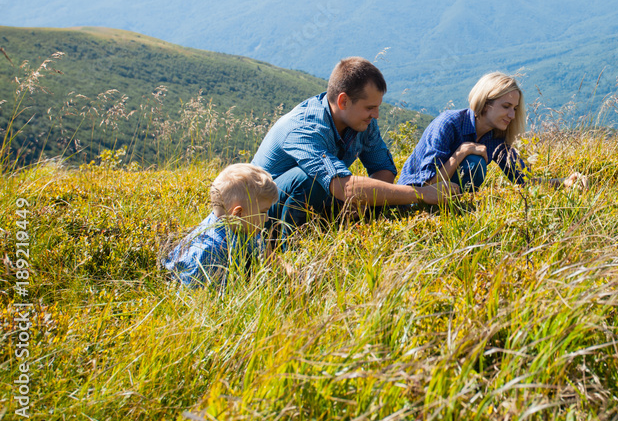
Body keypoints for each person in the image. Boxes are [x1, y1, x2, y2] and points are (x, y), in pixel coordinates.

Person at [252, 57, 458, 242]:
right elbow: (345, 187)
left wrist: (365, 202)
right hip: (255, 214)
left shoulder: (361, 122)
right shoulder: (305, 129)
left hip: (307, 204)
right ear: (343, 101)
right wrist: (421, 194)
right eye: (369, 108)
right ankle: (286, 246)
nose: (376, 114)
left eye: (377, 107)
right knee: (309, 179)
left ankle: (326, 233)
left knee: (348, 190)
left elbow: (382, 167)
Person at [398, 71, 587, 191]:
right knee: (473, 163)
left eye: (514, 108)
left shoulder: (495, 138)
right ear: (486, 104)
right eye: (506, 106)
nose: (512, 115)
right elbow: (427, 185)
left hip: (449, 204)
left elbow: (524, 180)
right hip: (410, 200)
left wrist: (564, 182)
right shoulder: (449, 123)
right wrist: (462, 151)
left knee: (473, 163)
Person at [162, 163, 279, 288]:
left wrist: (289, 271)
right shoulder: (209, 251)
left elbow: (264, 253)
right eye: (263, 212)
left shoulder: (243, 227)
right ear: (238, 213)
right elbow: (196, 300)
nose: (266, 218)